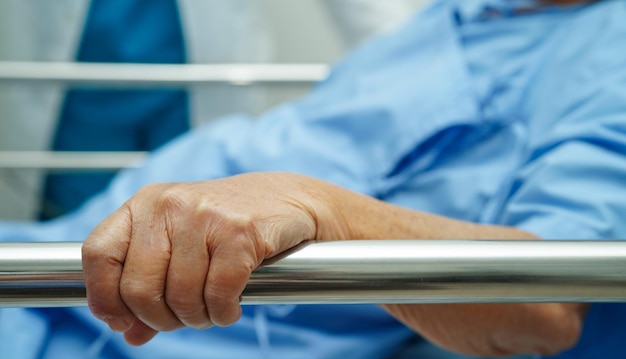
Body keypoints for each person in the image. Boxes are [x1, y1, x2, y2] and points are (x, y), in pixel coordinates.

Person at [1, 0, 626, 359]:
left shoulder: (608, 55)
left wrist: (328, 211)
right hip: (53, 264)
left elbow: (547, 301)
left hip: (113, 354)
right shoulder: (467, 14)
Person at [0, 0, 414, 220]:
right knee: (78, 249)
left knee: (190, 244)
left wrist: (420, 72)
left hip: (195, 86)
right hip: (72, 100)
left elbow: (375, 16)